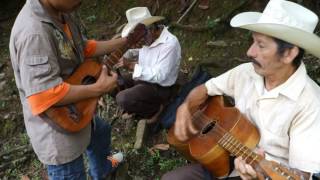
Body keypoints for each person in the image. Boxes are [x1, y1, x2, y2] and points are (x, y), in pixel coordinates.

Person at [162, 0, 320, 179]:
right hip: (219, 154)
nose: (250, 52)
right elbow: (205, 89)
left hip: (261, 172)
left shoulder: (311, 103)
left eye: (261, 45)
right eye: (253, 41)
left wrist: (257, 176)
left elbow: (304, 175)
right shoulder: (246, 72)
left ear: (289, 53)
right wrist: (186, 106)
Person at [9, 0, 145, 179]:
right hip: (56, 128)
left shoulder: (60, 12)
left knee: (101, 131)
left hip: (78, 106)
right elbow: (42, 96)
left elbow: (83, 47)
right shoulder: (34, 33)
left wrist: (124, 42)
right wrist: (98, 89)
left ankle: (103, 170)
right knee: (72, 173)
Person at [115, 7, 181, 120]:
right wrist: (128, 54)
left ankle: (154, 109)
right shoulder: (149, 38)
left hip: (160, 87)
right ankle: (136, 107)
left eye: (139, 36)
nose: (138, 41)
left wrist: (131, 66)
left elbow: (160, 76)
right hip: (143, 80)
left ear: (150, 29)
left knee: (122, 98)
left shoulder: (170, 44)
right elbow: (146, 52)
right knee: (113, 82)